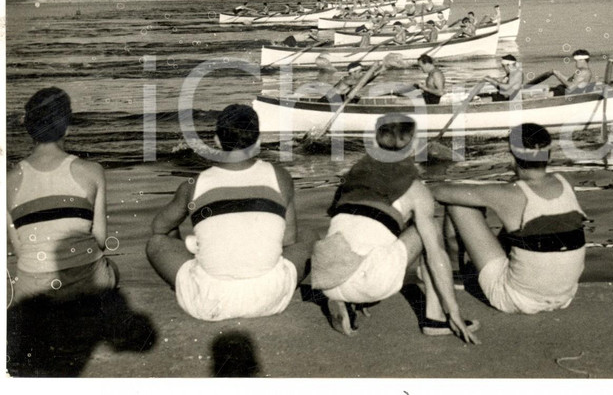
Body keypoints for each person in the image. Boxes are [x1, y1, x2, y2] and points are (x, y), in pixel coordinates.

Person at [310, 114, 480, 343]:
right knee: (427, 232)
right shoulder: (415, 190)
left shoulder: (354, 175)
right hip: (368, 281)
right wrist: (455, 311)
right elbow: (436, 253)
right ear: (413, 144)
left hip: (326, 277)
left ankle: (348, 298)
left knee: (370, 226)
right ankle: (435, 317)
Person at [145, 105, 315, 321]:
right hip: (271, 297)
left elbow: (159, 228)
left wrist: (189, 250)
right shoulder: (280, 176)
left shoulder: (194, 184)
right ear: (258, 141)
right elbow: (289, 241)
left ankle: (186, 280)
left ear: (216, 141)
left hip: (207, 302)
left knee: (156, 243)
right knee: (309, 235)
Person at [430, 123, 587, 315]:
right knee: (527, 226)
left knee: (458, 202)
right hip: (564, 296)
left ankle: (457, 275)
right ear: (550, 156)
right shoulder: (565, 182)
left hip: (515, 298)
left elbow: (439, 192)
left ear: (511, 158)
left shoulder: (509, 193)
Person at [6, 87, 119, 302]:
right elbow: (101, 240)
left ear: (29, 129)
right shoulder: (92, 171)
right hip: (87, 283)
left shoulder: (9, 181)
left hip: (32, 292)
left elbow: (21, 251)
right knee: (111, 269)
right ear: (66, 129)